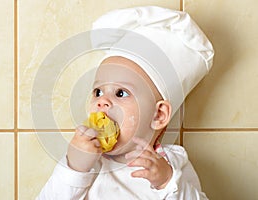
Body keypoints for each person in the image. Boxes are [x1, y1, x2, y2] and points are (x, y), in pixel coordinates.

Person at [37, 6, 214, 199]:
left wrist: (167, 182)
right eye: (98, 91)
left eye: (121, 93)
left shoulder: (172, 164)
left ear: (159, 115)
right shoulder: (87, 162)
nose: (102, 101)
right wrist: (74, 168)